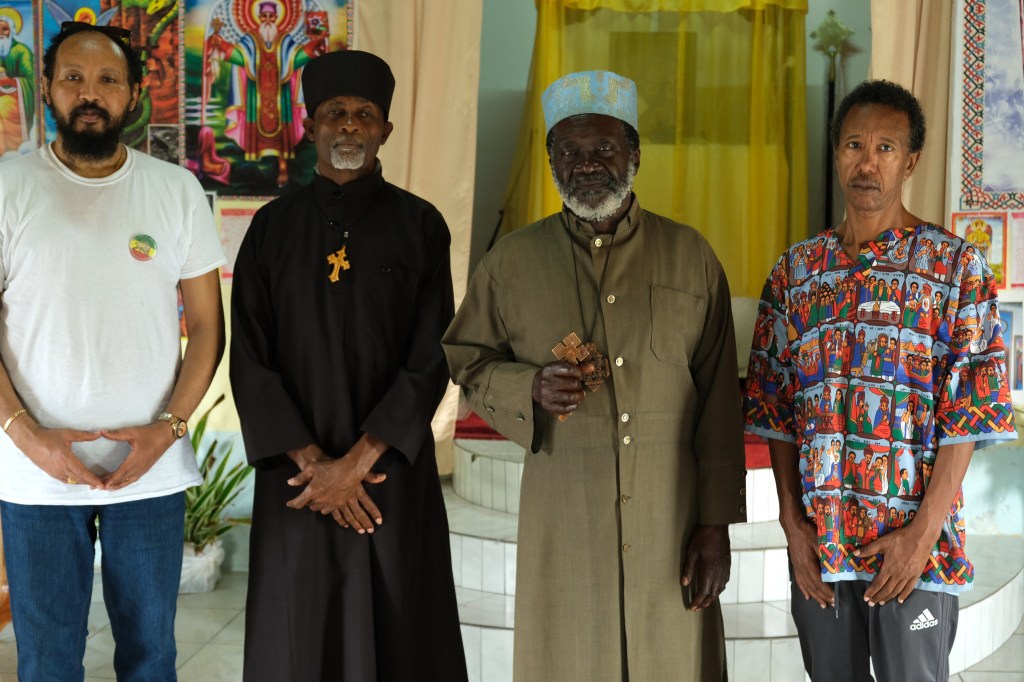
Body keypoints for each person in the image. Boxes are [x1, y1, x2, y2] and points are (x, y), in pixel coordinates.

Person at [443, 70, 746, 681]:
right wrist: (527, 386)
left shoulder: (690, 256)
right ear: (551, 160)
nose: (586, 164)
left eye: (604, 147)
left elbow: (719, 400)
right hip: (566, 520)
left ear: (634, 155)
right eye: (569, 151)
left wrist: (715, 525)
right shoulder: (511, 261)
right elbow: (467, 360)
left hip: (670, 519)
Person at [743, 79, 1017, 682]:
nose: (867, 163)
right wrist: (793, 528)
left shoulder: (955, 267)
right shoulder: (795, 272)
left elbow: (969, 413)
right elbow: (774, 409)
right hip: (822, 547)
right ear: (836, 153)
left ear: (910, 161)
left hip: (912, 551)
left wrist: (922, 534)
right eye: (854, 145)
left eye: (885, 148)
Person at [229, 49, 467, 681]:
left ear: (386, 129)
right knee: (298, 636)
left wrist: (356, 464)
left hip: (388, 474)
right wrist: (318, 469)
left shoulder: (422, 226)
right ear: (311, 126)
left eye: (365, 113)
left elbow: (431, 355)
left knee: (401, 634)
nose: (350, 125)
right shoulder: (270, 229)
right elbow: (249, 359)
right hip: (298, 482)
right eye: (336, 112)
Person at [0, 21, 225, 680]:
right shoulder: (7, 186)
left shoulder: (175, 189)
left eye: (107, 79)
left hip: (148, 470)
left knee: (151, 656)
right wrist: (28, 436)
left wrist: (168, 430)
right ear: (47, 88)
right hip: (36, 473)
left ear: (133, 94)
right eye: (73, 78)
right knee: (47, 661)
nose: (89, 93)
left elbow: (207, 327)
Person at [0, 7, 35, 154]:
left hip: (17, 98)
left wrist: (10, 81)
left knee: (2, 107)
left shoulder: (22, 51)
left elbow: (31, 80)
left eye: (4, 29)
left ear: (12, 31)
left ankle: (7, 149)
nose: (1, 33)